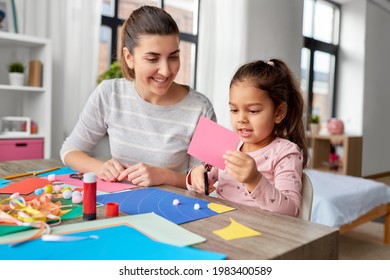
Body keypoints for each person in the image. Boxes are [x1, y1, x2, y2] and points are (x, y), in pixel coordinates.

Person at [60, 6, 216, 188]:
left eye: (173, 57)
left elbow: (207, 184)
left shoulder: (202, 108)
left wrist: (165, 176)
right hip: (119, 205)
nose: (166, 71)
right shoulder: (109, 93)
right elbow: (69, 151)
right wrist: (101, 167)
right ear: (129, 57)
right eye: (152, 59)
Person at [187, 59, 308, 217]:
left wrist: (254, 180)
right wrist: (195, 177)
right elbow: (201, 179)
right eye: (234, 110)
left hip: (263, 234)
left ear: (278, 113)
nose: (241, 119)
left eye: (253, 111)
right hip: (221, 224)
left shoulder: (286, 153)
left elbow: (291, 211)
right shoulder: (227, 143)